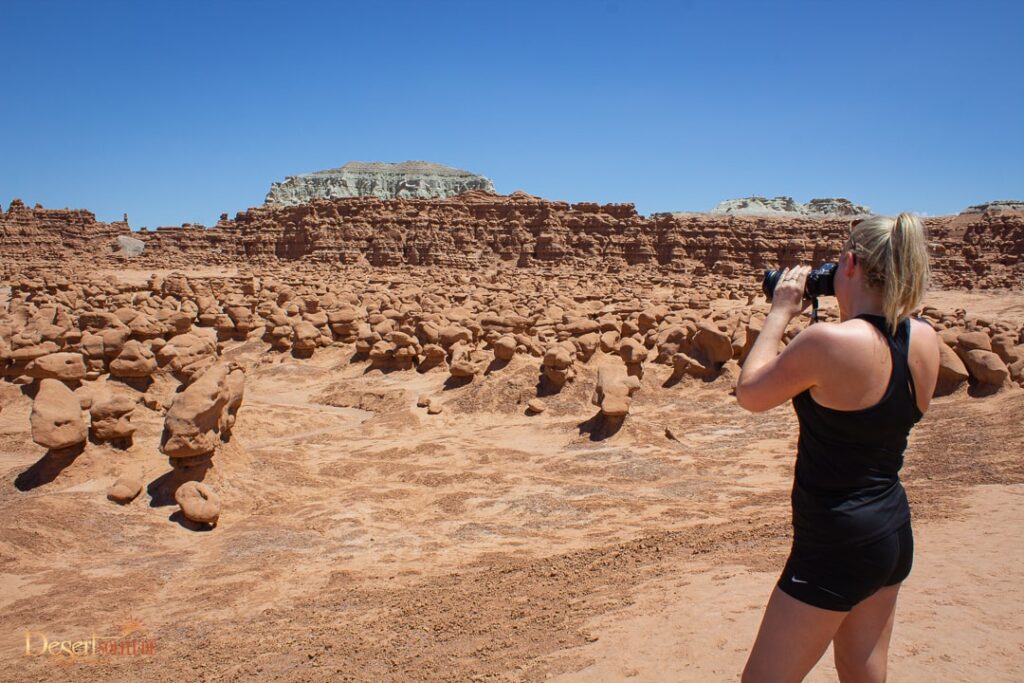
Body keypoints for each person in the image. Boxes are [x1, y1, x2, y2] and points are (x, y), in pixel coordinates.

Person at [735, 213, 941, 683]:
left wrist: (780, 311)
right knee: (861, 669)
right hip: (891, 528)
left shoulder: (828, 341)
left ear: (849, 264)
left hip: (835, 539)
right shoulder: (924, 337)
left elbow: (750, 394)